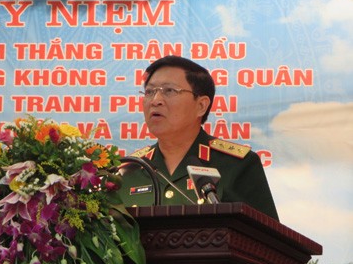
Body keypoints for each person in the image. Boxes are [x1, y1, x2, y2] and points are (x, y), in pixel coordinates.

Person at [117, 55, 279, 220]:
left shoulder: (237, 166)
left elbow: (265, 241)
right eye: (150, 92)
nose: (155, 100)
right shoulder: (127, 171)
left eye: (169, 91)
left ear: (201, 105)